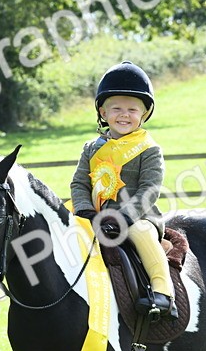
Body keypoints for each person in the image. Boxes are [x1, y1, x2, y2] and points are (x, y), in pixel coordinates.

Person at [70, 61, 174, 317]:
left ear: (144, 114)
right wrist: (85, 212)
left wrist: (124, 216)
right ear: (103, 113)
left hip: (137, 216)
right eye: (116, 108)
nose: (124, 115)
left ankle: (163, 291)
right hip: (94, 216)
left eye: (132, 109)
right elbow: (79, 183)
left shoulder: (149, 149)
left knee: (141, 233)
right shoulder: (91, 149)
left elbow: (150, 189)